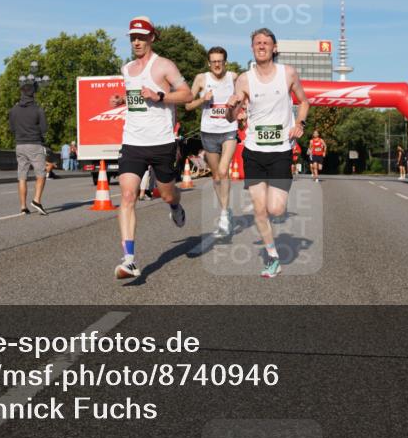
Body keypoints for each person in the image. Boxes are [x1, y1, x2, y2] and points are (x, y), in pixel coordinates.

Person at [109, 16, 192, 279]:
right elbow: (136, 98)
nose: (137, 42)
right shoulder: (126, 69)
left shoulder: (164, 66)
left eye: (142, 37)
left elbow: (187, 94)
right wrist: (122, 100)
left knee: (167, 195)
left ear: (152, 38)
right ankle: (129, 260)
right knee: (127, 196)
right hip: (132, 142)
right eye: (133, 37)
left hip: (161, 142)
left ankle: (176, 207)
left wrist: (160, 96)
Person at [225, 28, 310, 279]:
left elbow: (304, 102)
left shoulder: (288, 73)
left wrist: (300, 123)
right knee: (260, 210)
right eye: (257, 43)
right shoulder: (244, 79)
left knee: (276, 209)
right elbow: (232, 116)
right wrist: (231, 107)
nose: (261, 46)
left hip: (281, 150)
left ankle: (277, 203)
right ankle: (273, 257)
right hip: (253, 150)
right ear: (252, 48)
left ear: (274, 47)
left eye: (266, 43)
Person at [185, 47, 238, 236]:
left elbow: (245, 97)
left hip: (229, 130)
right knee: (216, 176)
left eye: (220, 61)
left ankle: (223, 217)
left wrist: (242, 109)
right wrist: (203, 100)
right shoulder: (201, 79)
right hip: (208, 132)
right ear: (209, 63)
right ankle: (226, 210)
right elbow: (188, 105)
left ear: (225, 62)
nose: (217, 64)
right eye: (214, 61)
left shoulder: (234, 77)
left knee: (223, 171)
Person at [8, 82, 49, 215]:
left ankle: (23, 207)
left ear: (21, 93)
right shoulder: (38, 109)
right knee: (41, 174)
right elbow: (44, 129)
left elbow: (12, 128)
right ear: (33, 94)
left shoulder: (14, 110)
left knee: (22, 176)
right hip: (35, 144)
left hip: (20, 145)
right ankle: (36, 200)